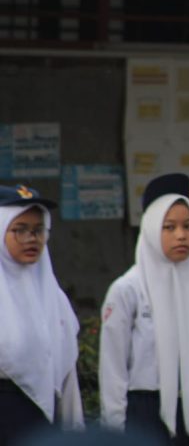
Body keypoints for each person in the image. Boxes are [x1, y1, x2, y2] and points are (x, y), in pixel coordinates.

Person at [99, 173, 189, 445]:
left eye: (188, 225)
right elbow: (113, 372)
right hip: (146, 414)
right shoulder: (128, 289)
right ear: (150, 229)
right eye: (169, 227)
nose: (181, 235)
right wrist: (115, 433)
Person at [0, 184, 83, 446]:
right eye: (20, 230)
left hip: (45, 420)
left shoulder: (52, 295)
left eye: (38, 230)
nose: (31, 238)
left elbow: (66, 366)